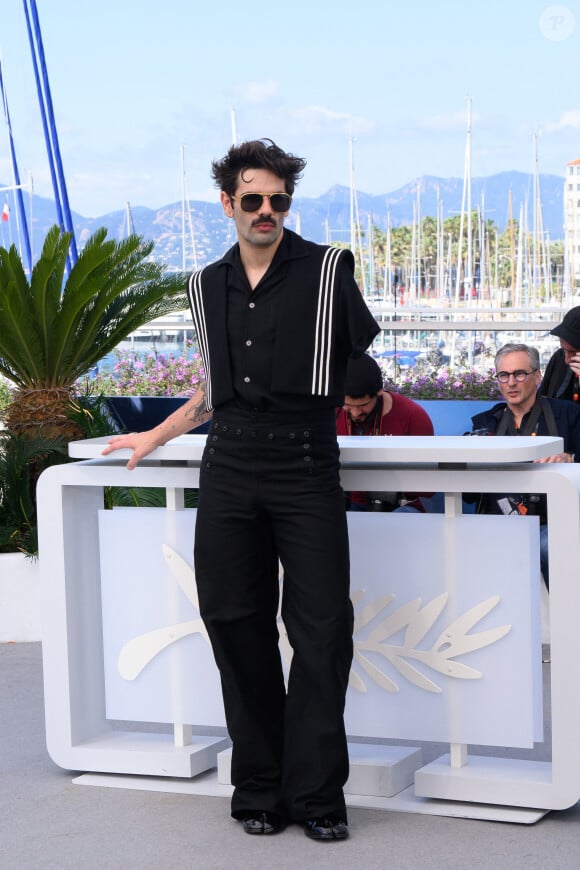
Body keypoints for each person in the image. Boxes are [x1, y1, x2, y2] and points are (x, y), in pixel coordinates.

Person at [103, 139, 380, 841]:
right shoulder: (205, 283)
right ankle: (260, 785)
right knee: (234, 622)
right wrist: (155, 437)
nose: (266, 211)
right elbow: (212, 390)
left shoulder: (328, 268)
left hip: (306, 461)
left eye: (279, 200)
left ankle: (318, 797)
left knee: (321, 633)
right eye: (252, 199)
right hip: (228, 465)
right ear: (227, 204)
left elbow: (357, 364)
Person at [469, 342, 580, 587]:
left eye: (520, 374)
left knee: (548, 545)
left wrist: (571, 459)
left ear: (538, 376)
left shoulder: (569, 414)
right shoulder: (486, 424)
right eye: (504, 375)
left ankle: (566, 622)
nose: (511, 382)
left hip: (552, 523)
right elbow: (468, 493)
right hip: (497, 523)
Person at [335, 352, 434, 511]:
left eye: (363, 405)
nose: (355, 413)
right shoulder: (332, 411)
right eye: (348, 406)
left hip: (399, 504)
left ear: (379, 393)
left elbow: (427, 487)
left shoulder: (413, 416)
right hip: (345, 501)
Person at [540, 306, 580, 402]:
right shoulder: (559, 357)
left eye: (573, 352)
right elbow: (543, 398)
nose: (567, 360)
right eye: (565, 350)